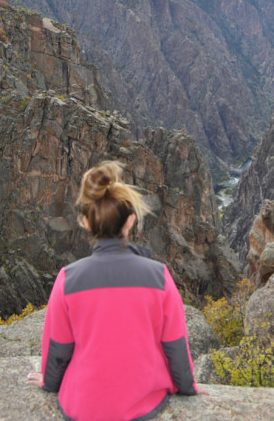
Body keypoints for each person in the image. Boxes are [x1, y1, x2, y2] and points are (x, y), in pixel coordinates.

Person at [27, 160, 197, 420]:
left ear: (85, 222)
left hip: (80, 406)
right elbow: (175, 345)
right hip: (145, 403)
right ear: (130, 221)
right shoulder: (159, 276)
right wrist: (188, 389)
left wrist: (49, 383)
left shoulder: (67, 279)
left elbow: (59, 348)